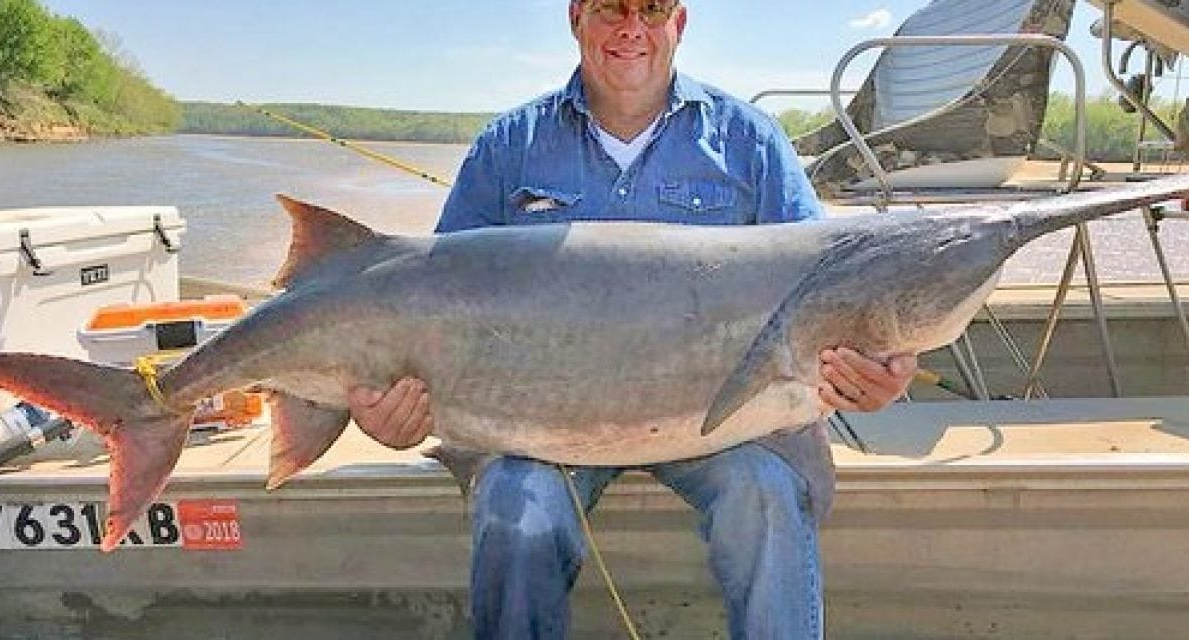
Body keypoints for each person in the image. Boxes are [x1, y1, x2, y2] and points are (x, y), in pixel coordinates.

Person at [349, 1, 918, 638]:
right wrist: (393, 411)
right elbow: (430, 305)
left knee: (764, 496)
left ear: (679, 23)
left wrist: (876, 372)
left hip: (721, 427)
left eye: (651, 7)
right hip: (545, 428)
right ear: (575, 19)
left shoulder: (750, 142)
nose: (631, 27)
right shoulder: (508, 148)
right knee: (516, 505)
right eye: (609, 8)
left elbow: (829, 288)